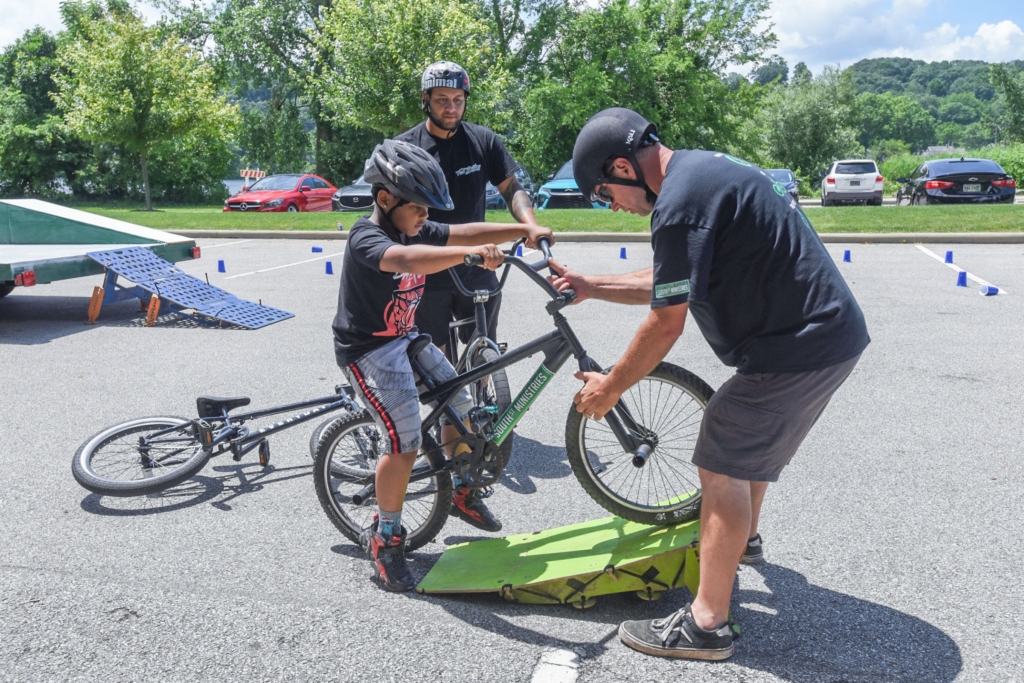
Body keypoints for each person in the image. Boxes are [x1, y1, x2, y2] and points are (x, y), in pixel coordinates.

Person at [550, 108, 869, 659]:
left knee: (721, 456)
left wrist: (612, 387)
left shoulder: (678, 203)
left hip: (799, 346)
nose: (614, 207)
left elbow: (665, 319)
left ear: (623, 167)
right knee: (744, 451)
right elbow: (673, 279)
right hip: (825, 338)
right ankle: (740, 544)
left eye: (606, 194)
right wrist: (591, 285)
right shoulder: (698, 175)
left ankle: (705, 626)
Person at [331, 139, 551, 591]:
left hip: (407, 338)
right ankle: (386, 536)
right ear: (385, 199)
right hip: (369, 350)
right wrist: (469, 256)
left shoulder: (415, 226)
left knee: (462, 403)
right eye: (419, 208)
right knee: (405, 439)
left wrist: (521, 231)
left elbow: (464, 231)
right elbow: (406, 261)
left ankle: (461, 491)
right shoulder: (366, 237)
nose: (426, 218)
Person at [395, 60, 544, 533]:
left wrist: (530, 223)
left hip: (481, 264)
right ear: (426, 101)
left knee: (482, 358)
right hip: (434, 267)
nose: (451, 108)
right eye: (442, 101)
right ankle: (447, 441)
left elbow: (511, 188)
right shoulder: (407, 145)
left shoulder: (484, 141)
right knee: (439, 365)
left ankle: (468, 437)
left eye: (458, 100)